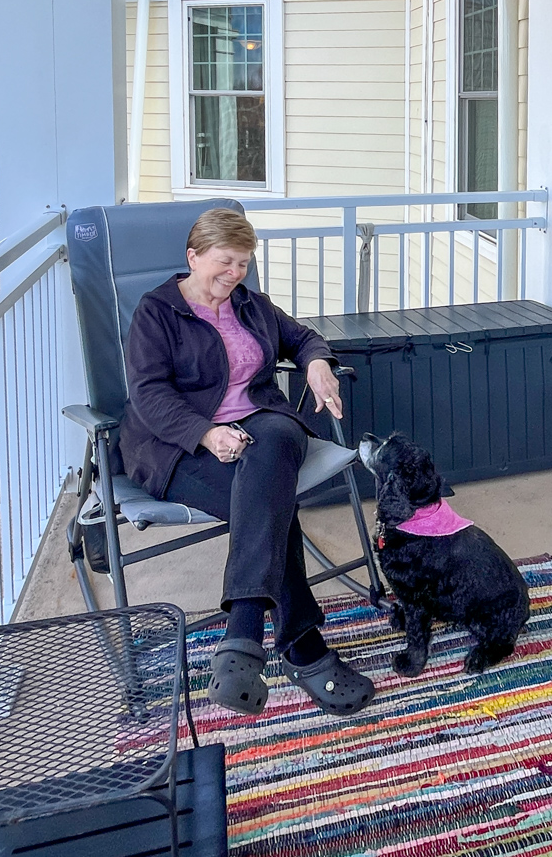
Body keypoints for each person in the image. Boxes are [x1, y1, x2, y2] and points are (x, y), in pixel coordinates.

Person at [121, 207, 375, 717]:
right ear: (192, 257)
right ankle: (302, 647)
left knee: (278, 441)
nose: (234, 274)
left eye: (242, 264)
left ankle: (243, 635)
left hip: (259, 428)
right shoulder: (157, 312)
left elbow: (302, 338)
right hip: (179, 444)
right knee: (270, 510)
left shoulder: (252, 305)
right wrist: (206, 432)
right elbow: (147, 393)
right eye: (224, 263)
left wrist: (319, 365)